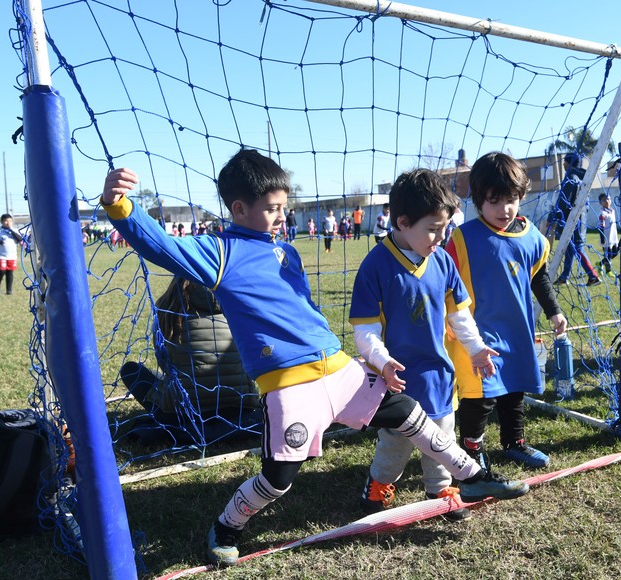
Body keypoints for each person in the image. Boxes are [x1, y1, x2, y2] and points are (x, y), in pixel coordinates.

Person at [101, 149, 529, 567]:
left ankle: (472, 479)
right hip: (289, 387)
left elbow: (301, 309)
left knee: (408, 412)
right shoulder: (221, 252)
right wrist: (120, 206)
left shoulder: (285, 250)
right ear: (239, 208)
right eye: (273, 208)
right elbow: (159, 246)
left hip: (337, 367)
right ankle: (227, 528)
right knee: (278, 480)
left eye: (285, 207)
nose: (282, 216)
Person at [350, 169, 501, 522]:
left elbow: (460, 316)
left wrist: (476, 348)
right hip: (397, 380)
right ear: (402, 222)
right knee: (396, 442)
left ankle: (440, 489)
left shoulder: (443, 262)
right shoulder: (375, 267)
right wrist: (383, 361)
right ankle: (378, 483)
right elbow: (365, 332)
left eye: (445, 227)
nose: (441, 236)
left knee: (442, 435)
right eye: (433, 228)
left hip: (438, 374)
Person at [446, 152, 568, 469]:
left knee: (514, 390)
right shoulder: (463, 239)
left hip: (516, 331)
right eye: (494, 201)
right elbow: (444, 281)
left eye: (511, 199)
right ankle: (471, 451)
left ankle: (515, 443)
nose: (505, 209)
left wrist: (553, 311)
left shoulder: (532, 238)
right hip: (476, 335)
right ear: (478, 200)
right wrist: (446, 319)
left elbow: (539, 276)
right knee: (479, 396)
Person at [119, 276, 261, 438]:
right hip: (241, 406)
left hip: (184, 412)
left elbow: (165, 364)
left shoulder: (167, 308)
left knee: (131, 371)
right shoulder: (235, 306)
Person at [551, 153, 600, 286]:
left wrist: (554, 216)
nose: (563, 164)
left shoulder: (571, 178)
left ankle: (593, 276)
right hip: (580, 218)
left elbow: (564, 202)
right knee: (569, 248)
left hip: (572, 219)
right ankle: (564, 277)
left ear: (569, 163)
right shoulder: (582, 178)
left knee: (577, 247)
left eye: (565, 162)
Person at [0, 213, 23, 295]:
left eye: (10, 221)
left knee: (10, 272)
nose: (8, 223)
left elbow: (20, 239)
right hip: (0, 256)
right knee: (1, 271)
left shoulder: (14, 230)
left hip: (11, 256)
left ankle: (9, 290)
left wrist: (11, 230)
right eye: (6, 221)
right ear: (2, 222)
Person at [597, 193, 620, 273]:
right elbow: (600, 227)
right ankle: (608, 271)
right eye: (604, 200)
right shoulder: (602, 214)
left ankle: (600, 263)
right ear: (600, 202)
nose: (607, 201)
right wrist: (603, 239)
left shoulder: (612, 211)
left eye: (608, 199)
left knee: (615, 253)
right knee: (608, 255)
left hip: (613, 237)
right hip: (606, 238)